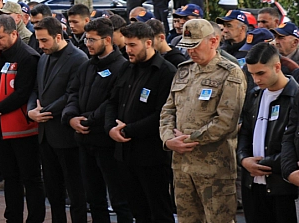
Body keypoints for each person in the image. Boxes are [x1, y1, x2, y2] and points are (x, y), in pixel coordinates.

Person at [159, 19, 246, 223]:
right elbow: (168, 109)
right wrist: (168, 139)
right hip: (182, 166)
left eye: (195, 46)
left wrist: (189, 140)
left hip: (214, 169)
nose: (190, 52)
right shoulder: (183, 70)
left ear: (214, 41)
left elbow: (226, 121)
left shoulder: (230, 73)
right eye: (187, 47)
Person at [62, 17, 133, 223]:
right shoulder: (87, 65)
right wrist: (71, 118)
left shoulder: (122, 67)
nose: (88, 44)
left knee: (119, 200)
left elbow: (112, 102)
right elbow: (72, 93)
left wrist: (87, 121)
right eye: (86, 39)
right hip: (84, 141)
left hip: (107, 143)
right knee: (94, 200)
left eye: (92, 40)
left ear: (107, 40)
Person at [105, 23, 176, 223]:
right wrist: (111, 128)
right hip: (125, 154)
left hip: (151, 156)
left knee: (159, 211)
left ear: (148, 43)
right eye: (126, 45)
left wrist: (128, 130)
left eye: (133, 45)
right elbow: (112, 101)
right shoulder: (127, 67)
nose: (128, 50)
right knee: (138, 211)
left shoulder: (165, 72)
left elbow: (162, 114)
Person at [0, 15, 45, 223]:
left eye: (0, 37)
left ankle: (35, 218)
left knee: (31, 178)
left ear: (14, 33)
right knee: (10, 178)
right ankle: (13, 217)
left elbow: (22, 93)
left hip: (22, 130)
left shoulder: (28, 57)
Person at [27, 17, 88, 223]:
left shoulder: (78, 58)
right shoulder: (44, 57)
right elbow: (36, 89)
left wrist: (44, 111)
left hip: (66, 134)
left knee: (75, 189)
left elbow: (73, 94)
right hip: (45, 134)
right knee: (53, 190)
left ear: (58, 36)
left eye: (44, 40)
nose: (40, 45)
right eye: (38, 40)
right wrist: (30, 111)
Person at [238, 43, 297, 223]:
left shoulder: (295, 97)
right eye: (252, 74)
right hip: (252, 185)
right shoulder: (255, 95)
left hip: (283, 187)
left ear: (277, 66)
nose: (255, 79)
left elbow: (293, 144)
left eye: (260, 73)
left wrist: (264, 164)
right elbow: (245, 132)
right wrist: (243, 158)